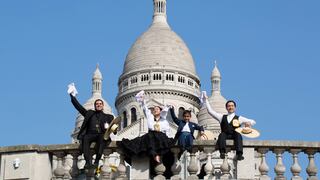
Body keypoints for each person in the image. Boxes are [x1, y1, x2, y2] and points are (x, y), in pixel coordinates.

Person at [117, 90, 174, 164]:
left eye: (157, 109)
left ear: (160, 111)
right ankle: (155, 155)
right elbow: (145, 108)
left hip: (161, 137)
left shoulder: (164, 122)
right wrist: (142, 100)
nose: (155, 110)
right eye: (154, 109)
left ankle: (158, 155)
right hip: (151, 136)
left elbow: (168, 132)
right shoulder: (150, 118)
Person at [68, 83, 114, 169]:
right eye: (97, 104)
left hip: (100, 134)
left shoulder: (108, 116)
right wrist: (72, 96)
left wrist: (111, 128)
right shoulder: (89, 113)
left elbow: (114, 128)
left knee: (102, 138)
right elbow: (79, 108)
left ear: (103, 106)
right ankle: (88, 162)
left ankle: (96, 161)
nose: (99, 105)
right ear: (95, 106)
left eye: (100, 104)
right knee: (85, 138)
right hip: (90, 134)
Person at [202, 91, 256, 160]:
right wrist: (206, 100)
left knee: (238, 135)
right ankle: (222, 152)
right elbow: (210, 111)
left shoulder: (239, 118)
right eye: (229, 106)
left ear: (235, 108)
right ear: (226, 108)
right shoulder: (221, 117)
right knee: (221, 135)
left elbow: (253, 121)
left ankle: (239, 154)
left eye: (232, 106)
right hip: (225, 135)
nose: (230, 107)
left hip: (234, 135)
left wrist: (248, 123)